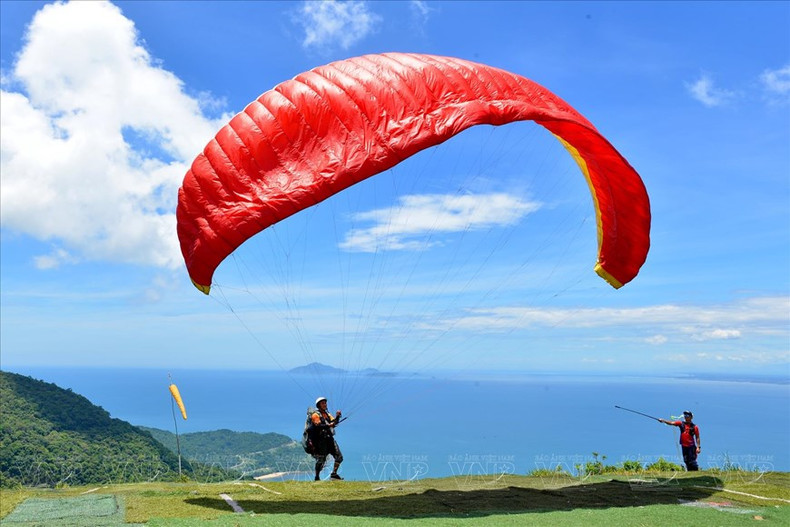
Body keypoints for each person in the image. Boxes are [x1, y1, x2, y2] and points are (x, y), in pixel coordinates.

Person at [307, 396, 343, 481]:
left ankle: (334, 474)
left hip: (329, 439)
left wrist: (337, 416)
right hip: (320, 442)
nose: (325, 404)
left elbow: (334, 423)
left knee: (339, 457)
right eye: (323, 403)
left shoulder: (327, 414)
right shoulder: (315, 415)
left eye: (325, 403)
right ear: (319, 405)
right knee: (321, 460)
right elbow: (318, 425)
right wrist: (328, 425)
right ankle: (317, 477)